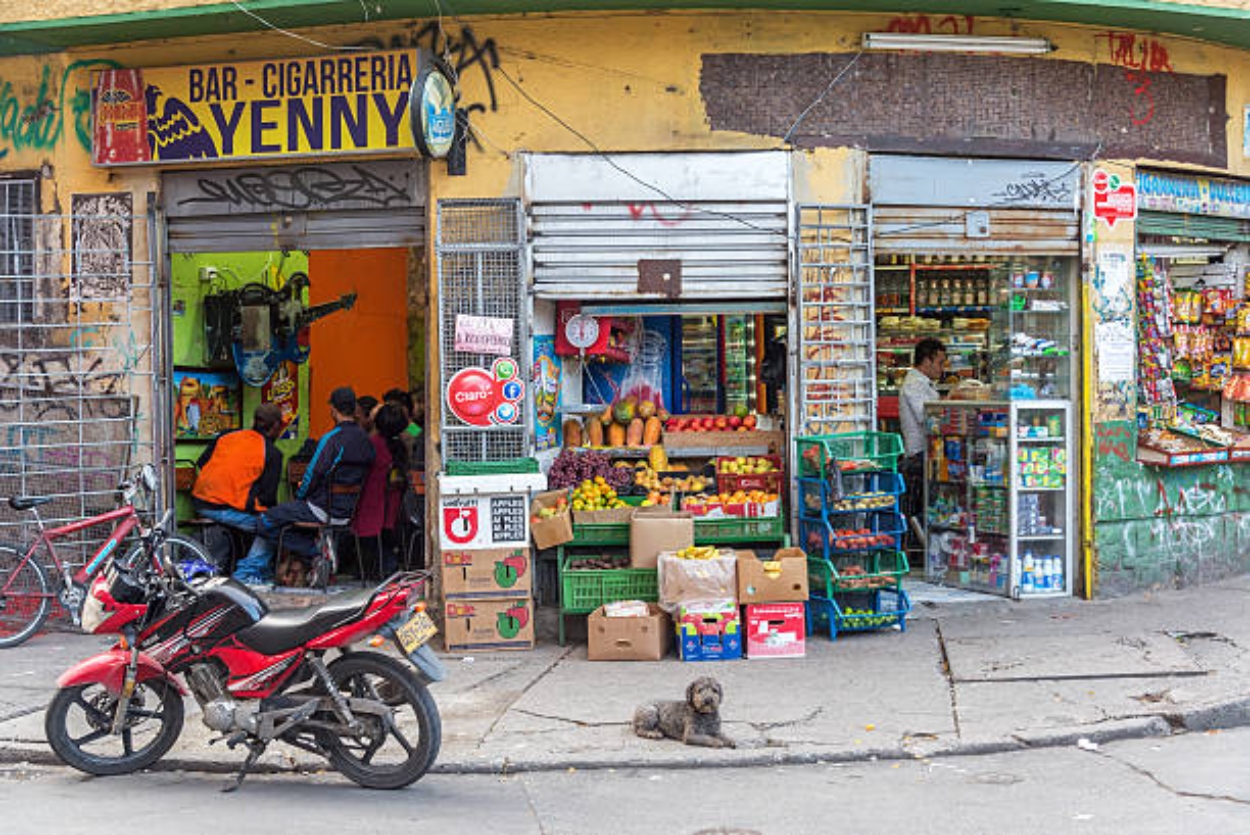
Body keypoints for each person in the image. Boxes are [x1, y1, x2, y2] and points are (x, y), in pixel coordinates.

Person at [233, 387, 375, 588]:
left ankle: (313, 552)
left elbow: (312, 474)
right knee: (284, 518)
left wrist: (300, 497)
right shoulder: (366, 441)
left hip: (321, 508)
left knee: (265, 520)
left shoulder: (332, 439)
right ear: (354, 409)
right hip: (348, 511)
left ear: (333, 410)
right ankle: (315, 554)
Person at [190, 403, 285, 567]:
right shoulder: (272, 453)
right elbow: (267, 498)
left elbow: (202, 463)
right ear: (276, 426)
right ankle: (248, 574)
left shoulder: (227, 435)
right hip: (224, 510)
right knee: (273, 526)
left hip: (200, 502)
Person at [352, 403, 408, 577]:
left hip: (371, 506)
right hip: (395, 510)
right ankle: (390, 567)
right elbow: (417, 431)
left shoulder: (371, 444)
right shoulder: (403, 446)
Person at [898, 338, 947, 531]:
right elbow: (927, 418)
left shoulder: (923, 384)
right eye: (940, 362)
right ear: (927, 361)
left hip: (925, 454)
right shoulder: (914, 385)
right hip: (918, 456)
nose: (942, 368)